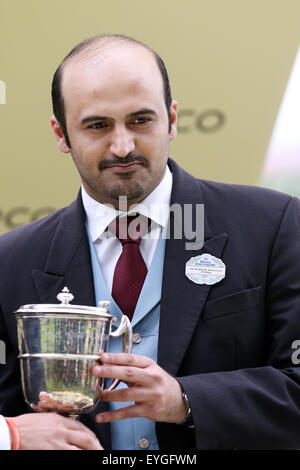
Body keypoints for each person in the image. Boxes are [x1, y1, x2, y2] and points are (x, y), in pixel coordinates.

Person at [0, 34, 300, 450]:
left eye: (141, 120)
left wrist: (186, 401)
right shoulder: (10, 260)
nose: (122, 146)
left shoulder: (275, 225)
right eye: (97, 125)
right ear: (60, 134)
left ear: (172, 120)